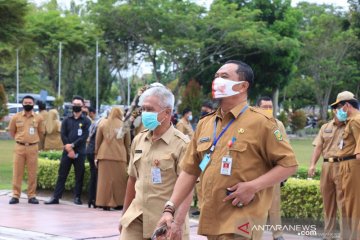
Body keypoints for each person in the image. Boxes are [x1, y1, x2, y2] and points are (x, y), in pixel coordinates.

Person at [156, 60, 298, 240]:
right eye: (216, 77)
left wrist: (253, 187)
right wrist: (170, 208)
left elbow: (289, 165)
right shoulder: (205, 124)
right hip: (213, 220)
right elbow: (190, 171)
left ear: (243, 86)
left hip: (243, 221)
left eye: (224, 77)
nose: (217, 81)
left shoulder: (263, 123)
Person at [119, 86, 193, 240]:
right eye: (143, 109)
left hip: (166, 221)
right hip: (136, 218)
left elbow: (188, 187)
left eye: (150, 109)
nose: (145, 114)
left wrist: (177, 224)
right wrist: (124, 214)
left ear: (167, 112)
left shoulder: (183, 144)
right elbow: (132, 179)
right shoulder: (139, 139)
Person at [44, 96, 91, 205]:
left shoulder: (86, 121)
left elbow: (84, 136)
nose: (76, 106)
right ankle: (56, 197)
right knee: (62, 174)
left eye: (79, 105)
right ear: (71, 105)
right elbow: (63, 135)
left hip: (80, 151)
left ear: (83, 106)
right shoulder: (66, 119)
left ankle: (77, 197)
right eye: (74, 104)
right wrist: (68, 147)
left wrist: (73, 146)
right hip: (67, 151)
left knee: (79, 175)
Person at [308, 108, 345, 239]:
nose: (343, 111)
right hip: (326, 166)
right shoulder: (325, 127)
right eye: (340, 108)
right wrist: (312, 164)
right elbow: (318, 147)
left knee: (343, 203)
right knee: (328, 203)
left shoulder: (352, 126)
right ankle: (328, 235)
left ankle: (344, 235)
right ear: (334, 110)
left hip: (343, 166)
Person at [257, 96, 288, 240]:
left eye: (270, 107)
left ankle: (278, 234)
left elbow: (285, 148)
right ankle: (250, 233)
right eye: (264, 107)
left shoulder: (278, 124)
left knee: (274, 204)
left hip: (273, 171)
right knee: (254, 205)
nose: (268, 109)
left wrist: (284, 172)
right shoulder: (251, 124)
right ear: (258, 108)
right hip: (254, 172)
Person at [330, 91, 360, 239]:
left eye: (339, 107)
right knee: (349, 205)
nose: (337, 111)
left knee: (354, 207)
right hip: (346, 165)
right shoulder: (350, 121)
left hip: (353, 165)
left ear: (347, 105)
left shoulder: (356, 120)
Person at [8, 95, 45, 204]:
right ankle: (15, 195)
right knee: (17, 172)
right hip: (19, 147)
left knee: (32, 172)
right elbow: (11, 131)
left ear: (33, 104)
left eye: (30, 103)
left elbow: (41, 132)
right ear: (22, 104)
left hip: (33, 147)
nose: (27, 104)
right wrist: (19, 139)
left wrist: (33, 140)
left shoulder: (39, 118)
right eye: (26, 103)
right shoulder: (16, 117)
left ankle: (31, 195)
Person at [95, 107, 130, 210]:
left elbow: (98, 141)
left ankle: (104, 203)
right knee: (120, 181)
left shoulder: (102, 123)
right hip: (120, 156)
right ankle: (119, 203)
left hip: (104, 155)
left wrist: (96, 155)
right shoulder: (125, 125)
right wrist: (129, 158)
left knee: (104, 181)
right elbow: (127, 144)